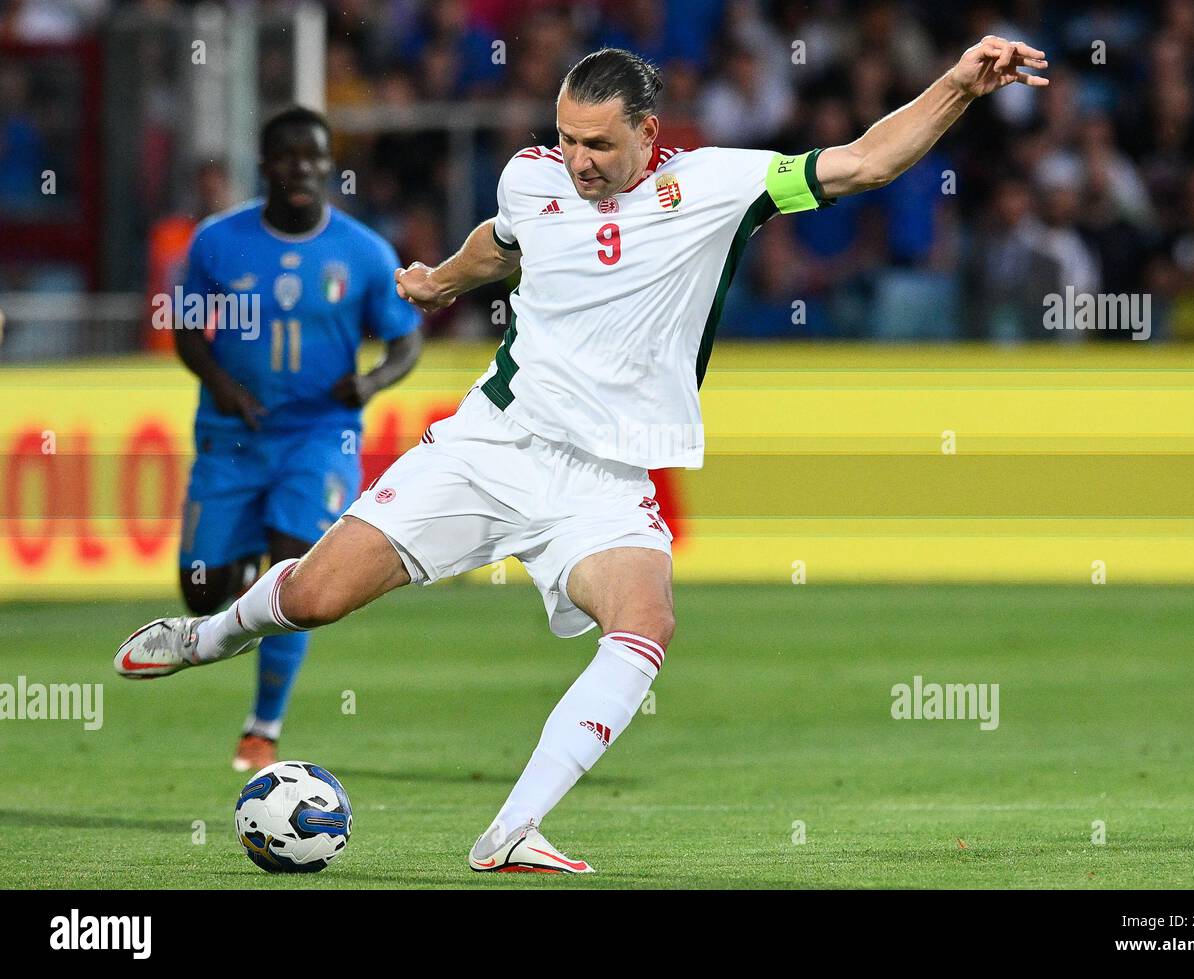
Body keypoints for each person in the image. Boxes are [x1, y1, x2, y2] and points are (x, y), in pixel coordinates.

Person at [116, 40, 1048, 873]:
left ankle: (511, 831)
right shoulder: (533, 175)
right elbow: (508, 242)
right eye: (566, 139)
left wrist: (958, 85)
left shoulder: (723, 185)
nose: (579, 161)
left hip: (604, 481)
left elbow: (865, 162)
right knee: (315, 596)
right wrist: (443, 279)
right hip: (493, 442)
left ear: (649, 133)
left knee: (646, 623)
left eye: (599, 144)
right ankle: (205, 637)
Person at [165, 106, 422, 772]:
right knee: (200, 589)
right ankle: (244, 573)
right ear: (265, 164)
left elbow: (406, 340)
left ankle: (263, 727)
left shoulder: (364, 252)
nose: (301, 168)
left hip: (319, 437)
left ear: (329, 164)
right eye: (287, 156)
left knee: (296, 574)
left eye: (313, 156)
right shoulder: (218, 242)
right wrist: (219, 382)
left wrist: (370, 384)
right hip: (232, 436)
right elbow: (187, 329)